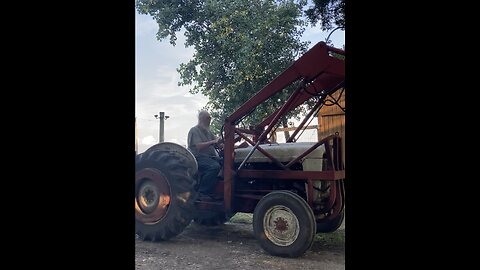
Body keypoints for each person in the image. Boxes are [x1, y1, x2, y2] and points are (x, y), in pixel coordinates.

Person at [187, 110, 223, 195]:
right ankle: (202, 192)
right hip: (197, 158)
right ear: (201, 119)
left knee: (226, 163)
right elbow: (199, 146)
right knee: (214, 167)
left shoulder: (208, 132)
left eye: (210, 118)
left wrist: (236, 144)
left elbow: (218, 144)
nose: (210, 120)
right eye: (208, 118)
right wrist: (213, 142)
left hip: (209, 158)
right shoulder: (194, 130)